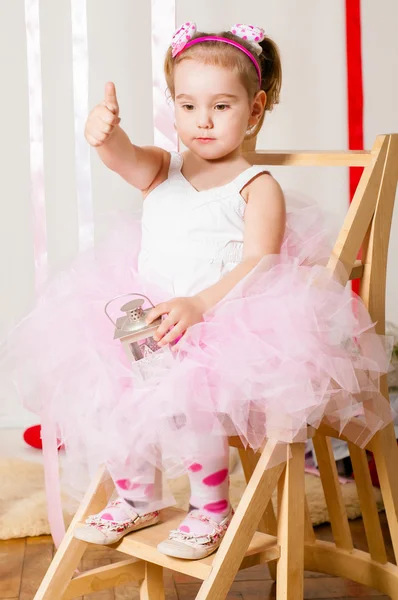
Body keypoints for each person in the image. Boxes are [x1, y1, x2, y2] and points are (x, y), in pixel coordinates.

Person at [1, 22, 393, 560]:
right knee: (109, 381)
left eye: (221, 107)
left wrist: (201, 305)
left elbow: (259, 263)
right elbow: (125, 158)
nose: (201, 121)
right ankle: (137, 495)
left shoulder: (255, 187)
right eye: (187, 106)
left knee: (196, 394)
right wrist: (105, 135)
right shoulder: (163, 168)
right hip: (152, 316)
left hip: (220, 321)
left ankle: (210, 508)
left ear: (254, 111)